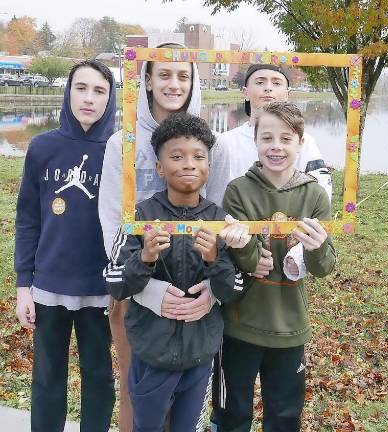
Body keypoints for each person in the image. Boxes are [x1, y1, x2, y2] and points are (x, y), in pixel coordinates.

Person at [98, 42, 214, 431]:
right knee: (139, 402)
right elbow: (114, 224)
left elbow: (219, 220)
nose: (173, 84)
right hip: (139, 291)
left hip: (193, 298)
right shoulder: (122, 143)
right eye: (164, 74)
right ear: (147, 80)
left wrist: (210, 291)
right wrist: (145, 291)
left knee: (186, 409)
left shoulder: (205, 140)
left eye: (183, 75)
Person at [104, 112, 244, 432]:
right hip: (151, 355)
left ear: (209, 166)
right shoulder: (141, 217)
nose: (189, 164)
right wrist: (146, 257)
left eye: (199, 157)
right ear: (159, 168)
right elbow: (115, 282)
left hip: (200, 357)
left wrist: (214, 260)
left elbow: (233, 290)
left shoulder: (219, 220)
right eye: (176, 156)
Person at [214, 101, 336, 432]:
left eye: (286, 138)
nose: (276, 147)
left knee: (284, 415)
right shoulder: (238, 190)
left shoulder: (315, 196)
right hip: (239, 325)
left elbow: (324, 267)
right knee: (232, 413)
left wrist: (317, 246)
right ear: (256, 141)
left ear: (300, 142)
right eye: (267, 138)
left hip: (290, 327)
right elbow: (251, 263)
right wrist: (245, 248)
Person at [14, 59, 116, 431]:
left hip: (101, 289)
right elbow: (27, 218)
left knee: (99, 377)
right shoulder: (43, 147)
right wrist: (24, 285)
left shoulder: (120, 151)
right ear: (68, 91)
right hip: (48, 287)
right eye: (81, 87)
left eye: (99, 90)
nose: (89, 98)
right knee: (46, 379)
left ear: (110, 97)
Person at [207, 63, 332, 283]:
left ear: (287, 93)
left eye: (276, 83)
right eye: (260, 82)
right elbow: (214, 197)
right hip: (235, 244)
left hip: (286, 246)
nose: (268, 89)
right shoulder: (224, 141)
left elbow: (320, 195)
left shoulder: (306, 141)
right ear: (244, 91)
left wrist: (301, 249)